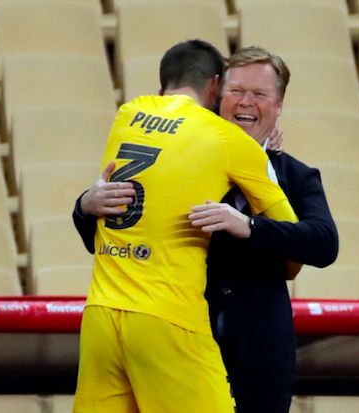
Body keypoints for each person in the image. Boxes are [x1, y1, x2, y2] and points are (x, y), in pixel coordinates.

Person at [71, 40, 300, 413]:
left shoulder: (128, 115)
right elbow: (291, 240)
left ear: (163, 83)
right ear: (215, 85)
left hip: (100, 317)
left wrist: (83, 205)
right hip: (169, 319)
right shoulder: (226, 139)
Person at [189, 47, 338, 413]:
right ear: (217, 96)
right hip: (185, 350)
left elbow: (324, 243)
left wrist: (252, 227)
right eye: (237, 91)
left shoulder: (295, 175)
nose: (246, 102)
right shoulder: (181, 162)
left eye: (259, 94)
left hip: (263, 362)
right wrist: (85, 206)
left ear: (279, 104)